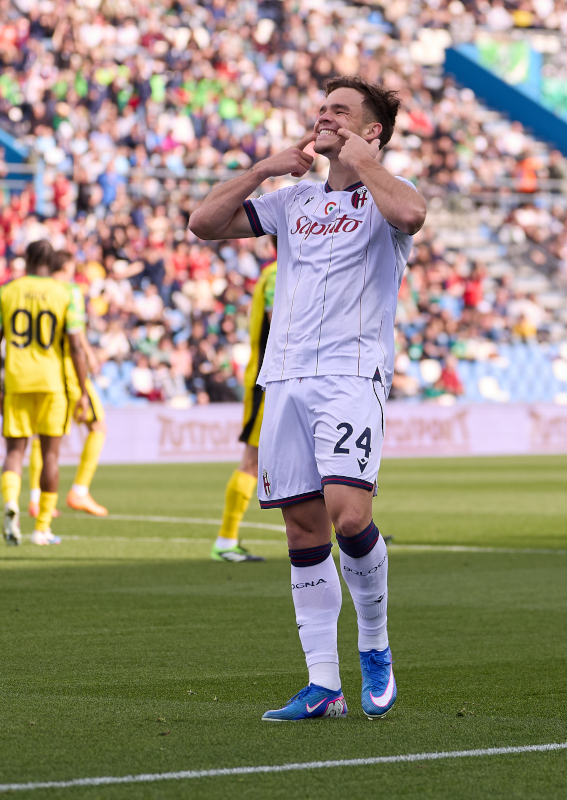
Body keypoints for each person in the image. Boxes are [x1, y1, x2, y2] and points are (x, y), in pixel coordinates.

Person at [189, 75, 426, 721]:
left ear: (370, 129)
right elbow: (203, 222)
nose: (322, 116)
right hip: (286, 378)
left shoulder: (386, 197)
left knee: (350, 516)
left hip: (351, 375)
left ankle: (374, 645)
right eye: (321, 108)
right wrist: (263, 168)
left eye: (339, 111)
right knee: (302, 527)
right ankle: (323, 685)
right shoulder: (291, 201)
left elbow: (411, 215)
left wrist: (365, 163)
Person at [0, 240, 91, 546]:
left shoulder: (6, 292)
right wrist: (82, 391)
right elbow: (75, 346)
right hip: (52, 383)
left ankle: (11, 503)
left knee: (14, 453)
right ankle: (42, 528)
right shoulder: (65, 293)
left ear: (27, 260)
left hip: (17, 381)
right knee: (50, 457)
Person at [26, 249, 110, 518]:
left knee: (43, 436)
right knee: (98, 427)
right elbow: (76, 333)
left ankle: (35, 499)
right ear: (66, 267)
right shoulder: (69, 291)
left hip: (41, 369)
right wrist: (90, 355)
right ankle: (80, 490)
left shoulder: (34, 291)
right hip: (69, 371)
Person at [212, 250, 276, 563]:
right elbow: (282, 323)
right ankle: (225, 541)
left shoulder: (283, 269)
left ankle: (351, 532)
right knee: (253, 459)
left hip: (286, 379)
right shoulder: (279, 272)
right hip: (269, 380)